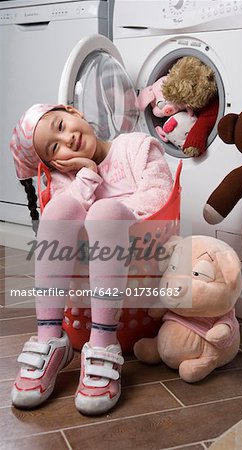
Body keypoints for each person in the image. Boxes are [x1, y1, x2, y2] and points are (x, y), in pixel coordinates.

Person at [9, 103, 173, 415]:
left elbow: (160, 195)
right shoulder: (66, 180)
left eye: (61, 126)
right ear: (54, 163)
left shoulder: (135, 147)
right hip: (86, 282)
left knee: (104, 212)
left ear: (75, 113)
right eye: (54, 147)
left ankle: (102, 343)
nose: (67, 139)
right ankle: (50, 338)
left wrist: (110, 212)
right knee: (59, 211)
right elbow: (66, 221)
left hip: (143, 262)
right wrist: (86, 174)